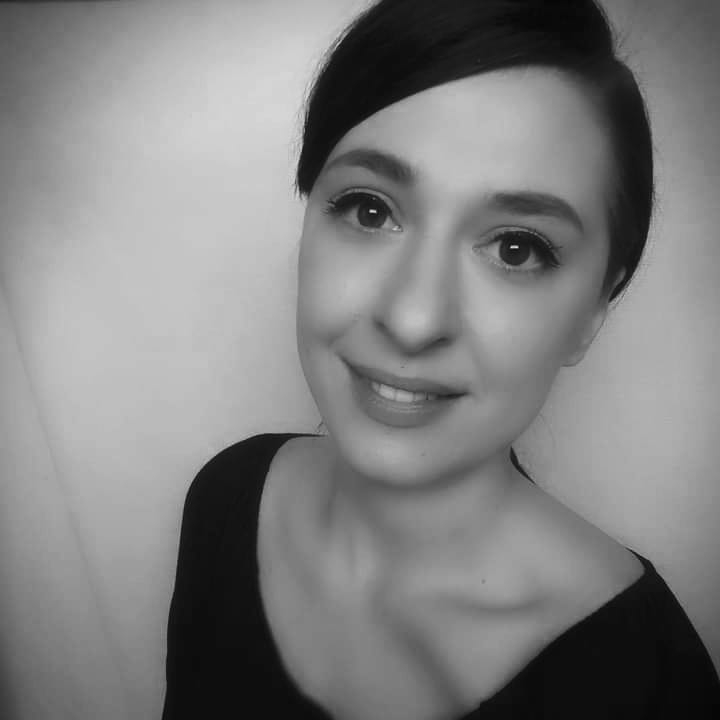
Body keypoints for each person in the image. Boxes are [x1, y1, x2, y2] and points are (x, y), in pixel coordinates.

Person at [162, 0, 720, 717]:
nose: (413, 319)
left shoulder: (647, 682)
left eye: (516, 248)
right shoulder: (226, 498)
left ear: (592, 313)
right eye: (369, 209)